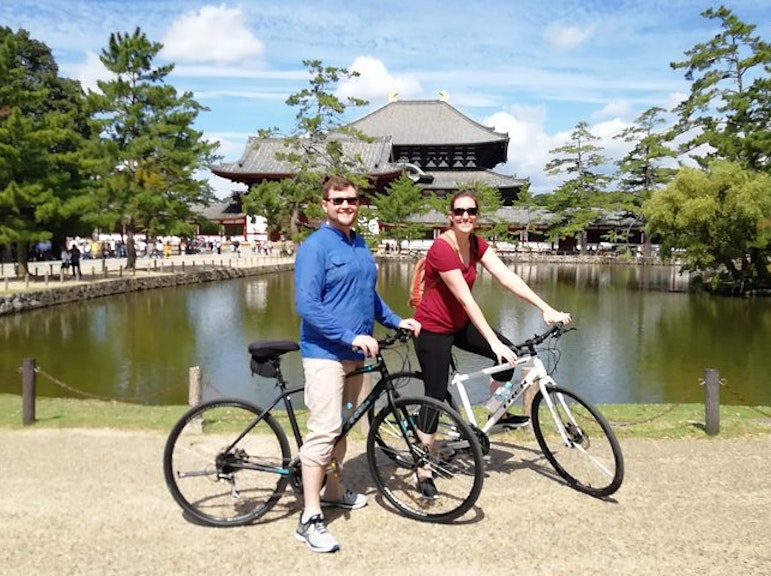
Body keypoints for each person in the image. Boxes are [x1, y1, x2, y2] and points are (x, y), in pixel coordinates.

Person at [412, 190, 572, 499]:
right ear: (450, 215)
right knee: (434, 394)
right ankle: (423, 468)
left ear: (477, 215)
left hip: (458, 325)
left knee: (509, 358)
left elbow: (507, 277)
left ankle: (495, 412)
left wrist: (545, 308)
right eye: (459, 211)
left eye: (471, 211)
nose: (465, 217)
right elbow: (467, 300)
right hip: (432, 329)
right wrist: (492, 340)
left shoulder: (475, 243)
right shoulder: (442, 250)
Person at [294, 175, 421, 553]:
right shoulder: (315, 247)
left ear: (358, 203)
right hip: (325, 354)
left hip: (356, 355)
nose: (345, 205)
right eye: (337, 200)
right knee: (323, 430)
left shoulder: (360, 243)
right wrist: (349, 336)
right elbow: (307, 305)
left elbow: (368, 295)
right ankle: (310, 517)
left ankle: (333, 491)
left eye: (351, 200)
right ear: (325, 205)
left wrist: (398, 320)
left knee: (343, 428)